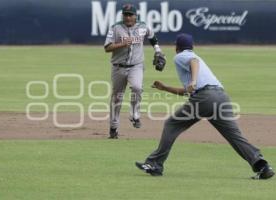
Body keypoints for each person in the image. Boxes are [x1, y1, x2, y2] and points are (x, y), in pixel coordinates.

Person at [135, 33, 274, 180]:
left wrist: (193, 81)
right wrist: (165, 88)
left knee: (172, 123)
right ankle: (262, 166)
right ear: (192, 46)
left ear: (177, 47)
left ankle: (155, 164)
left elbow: (193, 62)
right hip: (222, 97)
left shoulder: (182, 56)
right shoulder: (196, 57)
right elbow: (187, 91)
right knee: (234, 136)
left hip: (205, 97)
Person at [104, 4, 166, 139]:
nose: (127, 17)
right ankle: (113, 128)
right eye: (125, 14)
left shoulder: (143, 26)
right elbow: (107, 48)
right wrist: (122, 44)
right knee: (117, 98)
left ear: (135, 16)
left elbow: (152, 37)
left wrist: (157, 50)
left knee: (137, 88)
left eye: (130, 14)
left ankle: (134, 115)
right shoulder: (115, 28)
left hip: (136, 66)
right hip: (118, 67)